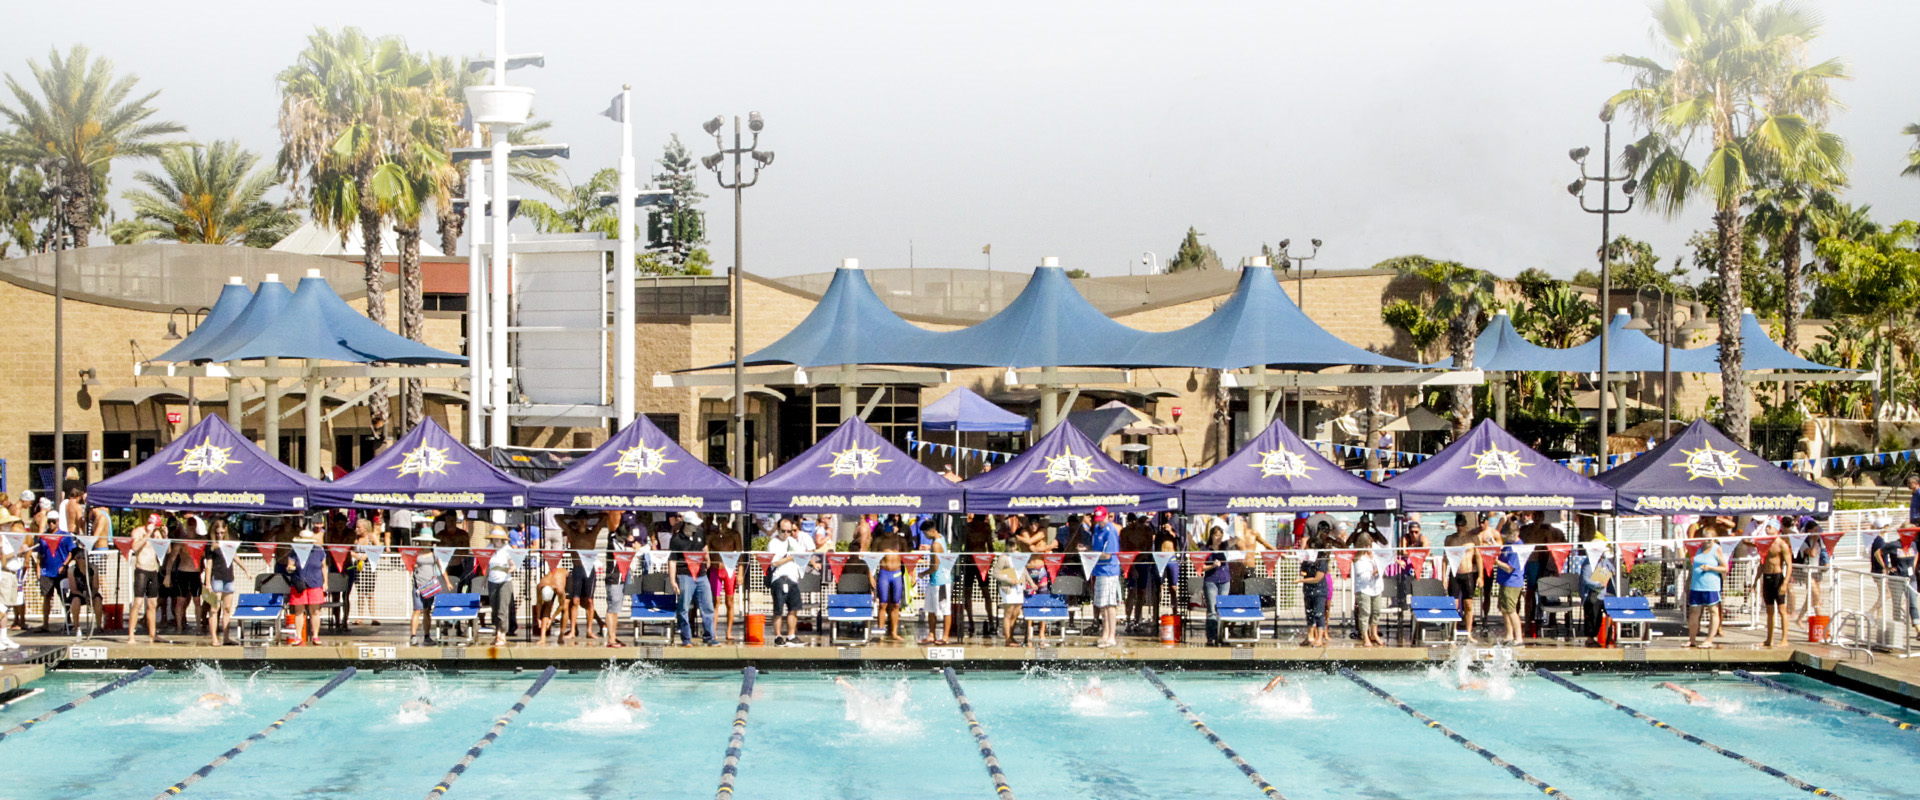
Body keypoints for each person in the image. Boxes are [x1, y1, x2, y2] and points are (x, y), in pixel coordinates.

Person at [671, 510, 716, 646]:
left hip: (701, 575)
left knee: (708, 606)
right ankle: (686, 638)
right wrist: (673, 580)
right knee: (684, 607)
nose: (696, 527)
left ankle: (709, 636)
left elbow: (704, 546)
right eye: (693, 525)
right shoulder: (676, 539)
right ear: (686, 524)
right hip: (685, 575)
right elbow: (672, 561)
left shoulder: (700, 532)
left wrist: (707, 558)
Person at [280, 525, 328, 647]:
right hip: (299, 583)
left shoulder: (319, 551)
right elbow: (289, 567)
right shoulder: (294, 551)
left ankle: (315, 635)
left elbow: (324, 567)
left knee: (315, 611)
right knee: (299, 611)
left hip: (315, 582)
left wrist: (325, 582)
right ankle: (298, 636)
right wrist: (290, 568)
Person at [766, 517, 808, 647]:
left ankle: (791, 636)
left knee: (793, 609)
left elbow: (802, 554)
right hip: (780, 578)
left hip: (793, 578)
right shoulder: (773, 543)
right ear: (778, 530)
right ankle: (778, 636)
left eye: (789, 531)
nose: (786, 534)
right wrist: (790, 557)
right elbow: (774, 562)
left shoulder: (792, 541)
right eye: (783, 531)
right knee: (778, 610)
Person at [204, 520, 246, 646]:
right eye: (217, 533)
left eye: (222, 532)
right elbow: (208, 565)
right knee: (214, 609)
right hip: (216, 578)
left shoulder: (229, 544)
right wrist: (207, 583)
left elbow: (235, 557)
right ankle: (214, 638)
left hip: (229, 578)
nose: (220, 535)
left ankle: (226, 638)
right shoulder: (211, 545)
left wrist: (246, 570)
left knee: (227, 609)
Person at [1087, 507, 1123, 648]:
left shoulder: (1111, 531)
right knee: (1102, 605)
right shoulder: (1096, 529)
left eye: (1102, 520)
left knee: (1110, 605)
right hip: (1099, 571)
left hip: (1109, 571)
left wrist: (1091, 555)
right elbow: (1096, 549)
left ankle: (1111, 636)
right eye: (1098, 520)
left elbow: (1108, 555)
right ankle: (1105, 634)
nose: (1100, 523)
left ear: (1107, 517)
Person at [1442, 515, 1483, 642]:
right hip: (1454, 573)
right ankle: (1452, 633)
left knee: (1468, 604)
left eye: (1461, 525)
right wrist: (1443, 576)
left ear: (1465, 525)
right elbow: (1445, 559)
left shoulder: (1473, 539)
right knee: (1454, 605)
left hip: (1468, 573)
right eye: (1458, 525)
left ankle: (1468, 633)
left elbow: (1479, 558)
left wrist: (1481, 576)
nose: (1459, 528)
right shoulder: (1450, 539)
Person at [871, 519, 910, 642]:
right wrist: (870, 576)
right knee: (882, 604)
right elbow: (871, 560)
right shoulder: (879, 541)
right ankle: (881, 632)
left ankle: (894, 633)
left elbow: (908, 559)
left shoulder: (900, 540)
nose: (888, 534)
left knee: (896, 604)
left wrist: (912, 573)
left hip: (897, 573)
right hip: (884, 573)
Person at [409, 531, 450, 647]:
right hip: (418, 585)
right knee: (417, 610)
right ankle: (413, 635)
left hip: (430, 586)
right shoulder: (416, 554)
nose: (425, 543)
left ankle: (427, 636)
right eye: (423, 541)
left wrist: (447, 582)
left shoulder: (434, 554)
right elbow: (409, 564)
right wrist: (413, 566)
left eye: (427, 541)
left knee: (427, 610)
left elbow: (441, 568)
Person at [706, 516, 743, 644]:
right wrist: (708, 563)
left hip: (729, 569)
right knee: (715, 601)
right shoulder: (712, 535)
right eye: (719, 520)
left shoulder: (734, 535)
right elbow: (706, 551)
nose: (722, 523)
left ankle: (729, 631)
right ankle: (713, 631)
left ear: (727, 521)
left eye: (724, 520)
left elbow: (740, 554)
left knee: (730, 601)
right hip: (716, 569)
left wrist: (740, 573)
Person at [128, 513, 163, 645]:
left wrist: (164, 538)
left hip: (153, 571)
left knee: (152, 605)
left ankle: (152, 635)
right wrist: (147, 535)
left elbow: (166, 551)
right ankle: (131, 635)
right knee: (137, 603)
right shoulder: (137, 532)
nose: (156, 531)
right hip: (141, 570)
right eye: (155, 528)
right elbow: (134, 548)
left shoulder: (157, 534)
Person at [957, 513, 994, 639]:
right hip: (975, 561)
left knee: (980, 592)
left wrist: (990, 560)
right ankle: (983, 622)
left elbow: (989, 546)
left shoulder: (977, 527)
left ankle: (987, 622)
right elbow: (990, 546)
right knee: (979, 592)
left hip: (978, 561)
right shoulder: (978, 527)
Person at [1688, 537, 1729, 649]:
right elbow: (1692, 568)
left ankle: (1709, 640)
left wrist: (1711, 568)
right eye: (1705, 539)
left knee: (1713, 612)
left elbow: (1725, 568)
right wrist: (1688, 583)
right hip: (1696, 586)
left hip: (1711, 586)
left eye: (1710, 540)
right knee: (1693, 613)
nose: (1707, 542)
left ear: (1714, 540)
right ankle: (1692, 640)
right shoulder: (1697, 549)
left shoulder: (1717, 549)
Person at [918, 519, 953, 646]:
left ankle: (945, 637)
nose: (925, 537)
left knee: (945, 609)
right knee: (930, 609)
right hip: (934, 581)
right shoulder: (939, 538)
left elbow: (935, 567)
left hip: (941, 581)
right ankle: (931, 635)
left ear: (932, 531)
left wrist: (922, 573)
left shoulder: (936, 545)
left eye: (926, 534)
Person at [1757, 530, 1794, 647]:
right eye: (1766, 527)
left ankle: (1784, 639)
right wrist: (1756, 580)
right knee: (1769, 611)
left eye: (1770, 527)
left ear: (1776, 529)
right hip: (1766, 577)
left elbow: (1789, 565)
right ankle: (1769, 639)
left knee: (1782, 610)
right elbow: (1762, 564)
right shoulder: (1765, 544)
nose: (1767, 529)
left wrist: (1785, 582)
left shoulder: (1782, 545)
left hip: (1777, 578)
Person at [1493, 527, 1527, 646]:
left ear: (1516, 533)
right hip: (1504, 581)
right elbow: (1503, 552)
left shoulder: (1518, 548)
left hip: (1512, 582)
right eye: (1506, 535)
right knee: (1504, 609)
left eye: (1509, 535)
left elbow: (1509, 568)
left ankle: (1519, 638)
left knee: (1511, 610)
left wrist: (1495, 561)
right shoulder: (1509, 543)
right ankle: (1509, 635)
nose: (1507, 537)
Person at [483, 528, 516, 647]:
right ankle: (497, 631)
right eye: (494, 538)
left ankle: (502, 634)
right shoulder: (488, 548)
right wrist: (484, 579)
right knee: (495, 608)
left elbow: (514, 565)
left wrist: (508, 570)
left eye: (498, 538)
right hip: (492, 581)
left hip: (504, 581)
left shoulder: (507, 549)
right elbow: (488, 566)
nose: (495, 540)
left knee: (503, 608)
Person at [1200, 524, 1231, 646]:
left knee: (1222, 609)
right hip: (1211, 581)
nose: (1218, 538)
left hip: (1225, 580)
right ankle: (1211, 637)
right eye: (1216, 535)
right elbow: (1201, 568)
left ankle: (1221, 636)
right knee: (1212, 609)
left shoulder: (1225, 546)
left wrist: (1238, 523)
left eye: (1220, 535)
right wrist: (1212, 565)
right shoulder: (1205, 549)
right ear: (1211, 536)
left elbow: (1238, 538)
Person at [1297, 534, 1330, 648]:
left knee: (1319, 613)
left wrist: (1301, 580)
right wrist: (1303, 573)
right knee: (1309, 613)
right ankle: (1310, 636)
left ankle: (1319, 637)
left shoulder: (1322, 561)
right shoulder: (1307, 560)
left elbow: (1317, 578)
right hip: (1308, 590)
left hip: (1320, 590)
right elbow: (1303, 570)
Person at [1353, 543, 1386, 647]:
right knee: (1365, 612)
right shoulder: (1359, 559)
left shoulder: (1376, 556)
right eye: (1367, 546)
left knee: (1376, 611)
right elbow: (1362, 576)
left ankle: (1374, 634)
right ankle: (1365, 636)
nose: (1370, 549)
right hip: (1364, 589)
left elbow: (1387, 558)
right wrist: (1374, 572)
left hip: (1376, 588)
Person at [995, 550, 1031, 647]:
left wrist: (1031, 582)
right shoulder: (1003, 557)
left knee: (1016, 613)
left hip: (1018, 587)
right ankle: (1007, 639)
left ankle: (1011, 636)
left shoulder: (1019, 555)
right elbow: (996, 574)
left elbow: (1023, 569)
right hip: (1008, 588)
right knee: (1009, 612)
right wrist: (1009, 580)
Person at [0, 510, 22, 650]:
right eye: (7, 523)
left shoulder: (7, 537)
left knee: (6, 607)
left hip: (11, 574)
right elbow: (2, 559)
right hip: (4, 574)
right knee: (2, 607)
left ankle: (3, 638)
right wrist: (16, 552)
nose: (10, 524)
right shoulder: (1, 538)